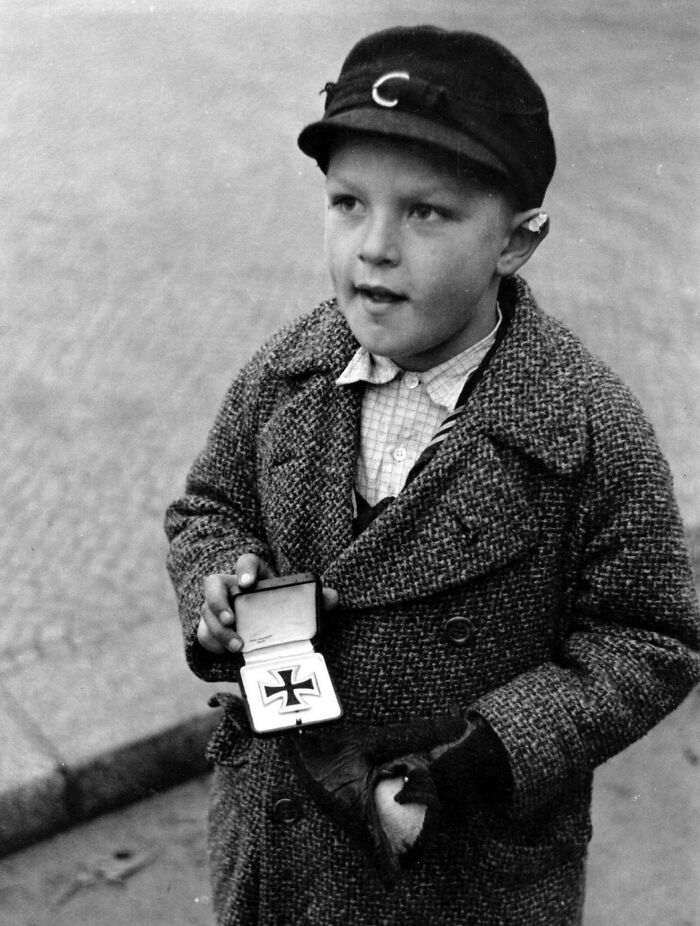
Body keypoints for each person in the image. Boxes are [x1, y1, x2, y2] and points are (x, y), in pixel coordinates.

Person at [164, 25, 700, 926]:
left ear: (517, 242)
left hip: (461, 866)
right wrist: (217, 586)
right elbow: (209, 508)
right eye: (348, 203)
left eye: (426, 213)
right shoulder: (286, 371)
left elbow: (650, 641)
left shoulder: (587, 429)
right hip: (282, 836)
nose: (374, 247)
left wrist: (480, 756)